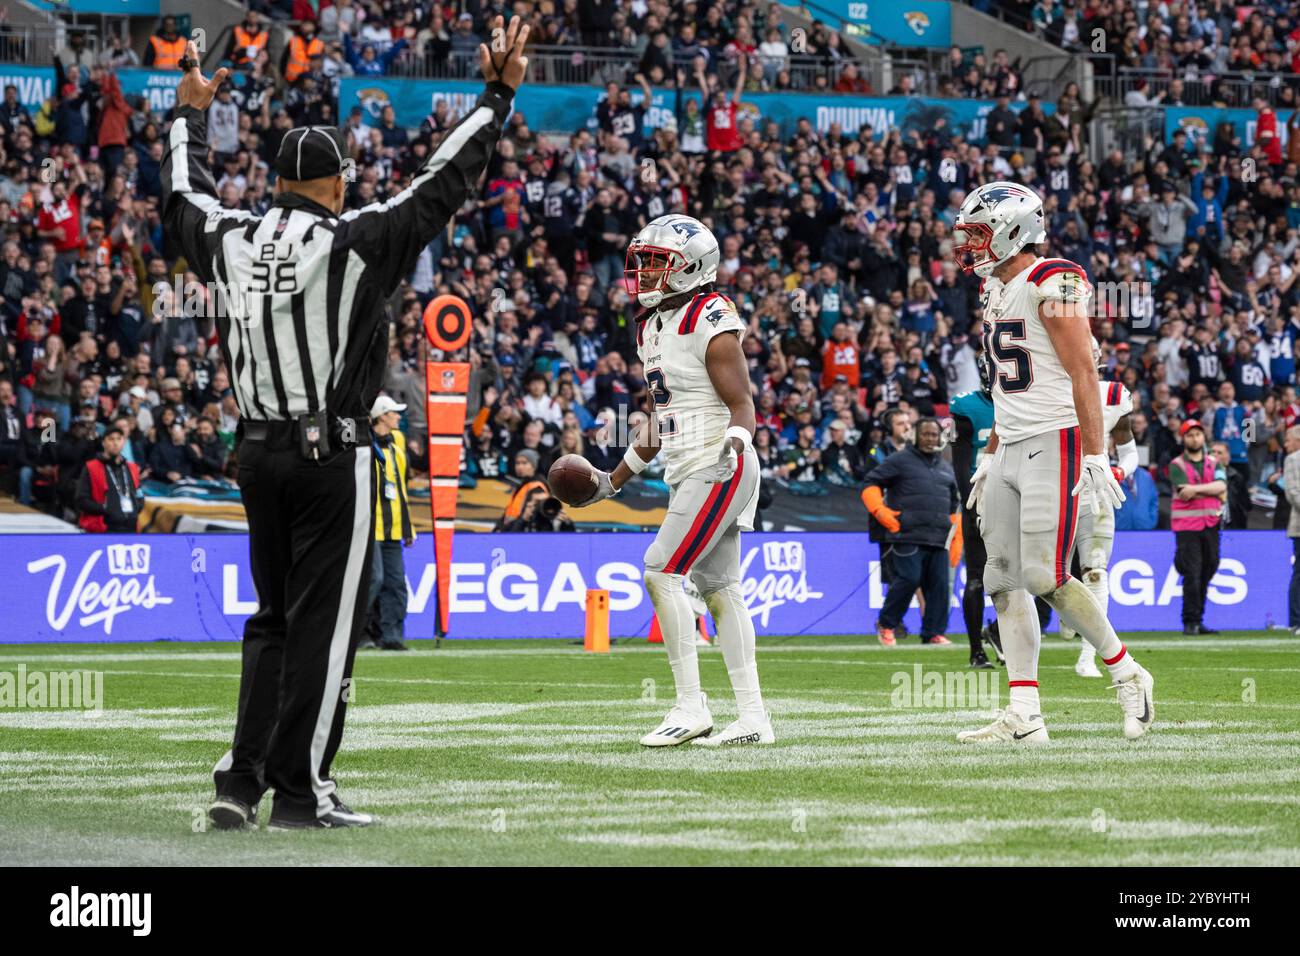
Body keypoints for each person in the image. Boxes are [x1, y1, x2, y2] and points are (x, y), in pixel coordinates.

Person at [161, 19, 529, 831]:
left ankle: (238, 782)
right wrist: (497, 95)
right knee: (324, 633)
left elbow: (181, 195)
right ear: (335, 184)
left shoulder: (231, 238)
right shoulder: (355, 241)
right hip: (331, 456)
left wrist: (186, 112)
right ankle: (302, 794)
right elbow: (441, 182)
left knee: (270, 621)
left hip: (255, 455)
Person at [957, 180, 1155, 744]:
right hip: (1012, 442)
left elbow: (1082, 372)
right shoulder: (994, 290)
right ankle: (1024, 715)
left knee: (1045, 574)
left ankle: (1126, 672)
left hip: (1056, 439)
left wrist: (1096, 453)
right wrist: (991, 451)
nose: (969, 246)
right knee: (1001, 577)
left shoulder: (1052, 278)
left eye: (978, 234)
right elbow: (1004, 385)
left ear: (1012, 231)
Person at [572, 214, 770, 747]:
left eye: (657, 263)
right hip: (688, 465)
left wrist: (738, 441)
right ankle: (753, 718)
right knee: (721, 588)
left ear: (692, 268)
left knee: (660, 571)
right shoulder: (651, 325)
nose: (645, 272)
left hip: (719, 461)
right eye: (643, 262)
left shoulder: (710, 314)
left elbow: (742, 403)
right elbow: (661, 420)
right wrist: (613, 481)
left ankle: (690, 706)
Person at [1061, 340, 1140, 678]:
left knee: (1095, 571)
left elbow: (1128, 449)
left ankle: (1087, 655)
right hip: (1052, 489)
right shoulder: (1042, 390)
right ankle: (1067, 618)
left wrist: (1119, 471)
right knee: (1046, 572)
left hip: (1094, 491)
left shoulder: (1113, 395)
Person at [862, 418, 959, 647]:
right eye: (925, 434)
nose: (930, 439)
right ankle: (886, 624)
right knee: (908, 580)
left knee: (939, 587)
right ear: (915, 436)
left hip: (938, 538)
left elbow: (954, 505)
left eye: (934, 435)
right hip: (906, 534)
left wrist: (957, 537)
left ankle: (933, 632)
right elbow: (870, 482)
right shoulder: (899, 460)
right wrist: (880, 510)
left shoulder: (946, 467)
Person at [950, 353, 1002, 668]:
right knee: (977, 578)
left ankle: (1000, 635)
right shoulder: (967, 407)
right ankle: (976, 651)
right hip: (980, 497)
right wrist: (970, 502)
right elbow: (959, 462)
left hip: (1015, 498)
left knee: (1026, 579)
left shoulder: (1024, 403)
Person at [365, 395, 415, 652]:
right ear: (382, 415)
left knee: (395, 583)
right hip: (369, 525)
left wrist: (409, 526)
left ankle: (391, 636)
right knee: (373, 579)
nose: (398, 416)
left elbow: (401, 486)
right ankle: (361, 634)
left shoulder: (398, 441)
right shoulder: (362, 443)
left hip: (394, 526)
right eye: (394, 413)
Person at [1169, 420, 1225, 635]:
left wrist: (1196, 489)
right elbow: (1184, 491)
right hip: (1187, 526)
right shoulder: (1177, 464)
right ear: (1184, 438)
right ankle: (1190, 621)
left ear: (1203, 437)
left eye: (1198, 434)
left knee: (1209, 568)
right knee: (1192, 572)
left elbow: (1222, 486)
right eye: (1190, 435)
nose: (1195, 438)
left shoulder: (1214, 462)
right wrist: (1210, 490)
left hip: (1210, 524)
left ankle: (1198, 618)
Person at [75, 427, 142, 532]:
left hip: (131, 527)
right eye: (111, 439)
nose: (115, 443)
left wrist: (138, 507)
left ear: (123, 442)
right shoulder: (91, 467)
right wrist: (105, 509)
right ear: (103, 443)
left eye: (119, 439)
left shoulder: (132, 467)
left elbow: (139, 493)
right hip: (104, 528)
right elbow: (81, 500)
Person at [1283, 427, 1300, 633]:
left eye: (1288, 440)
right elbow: (1293, 492)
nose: (1285, 444)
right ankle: (1297, 620)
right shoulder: (1293, 460)